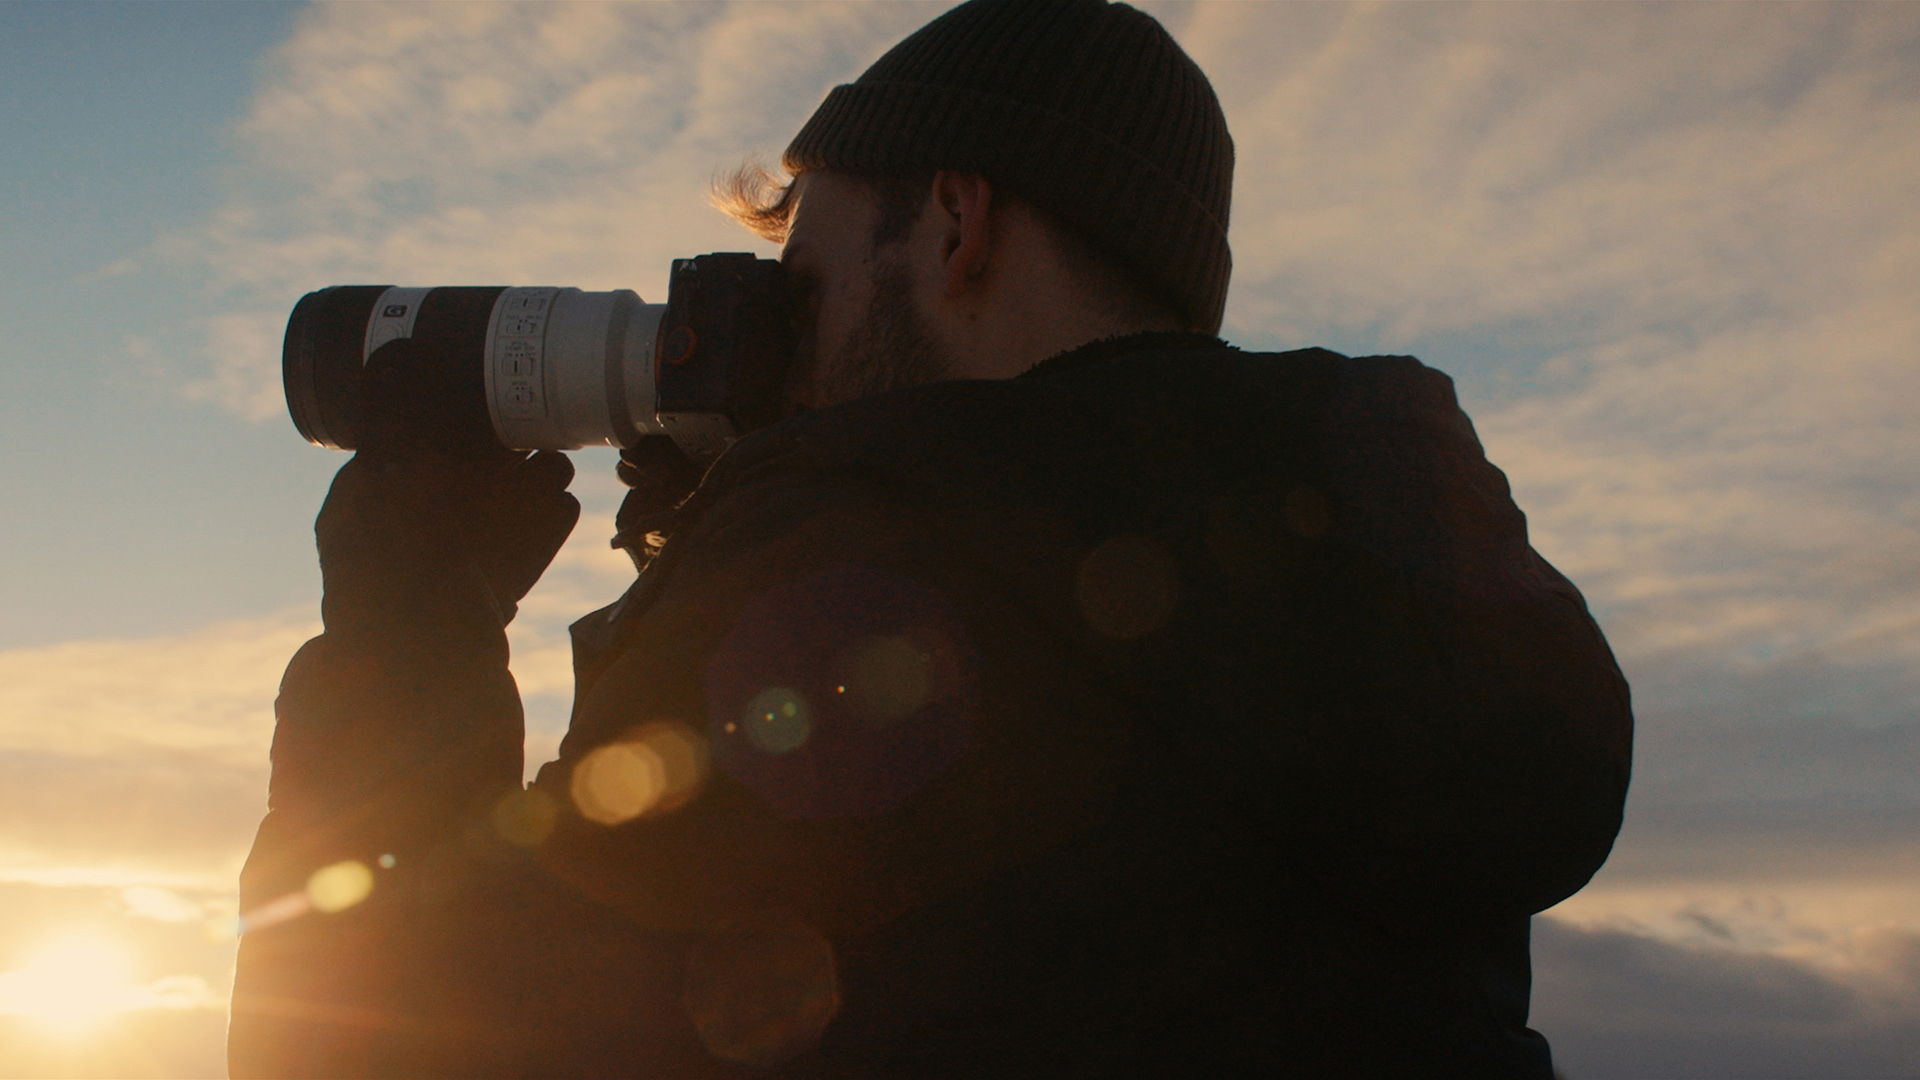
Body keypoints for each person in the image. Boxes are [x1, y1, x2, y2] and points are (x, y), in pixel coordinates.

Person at [230, 1, 1633, 1076]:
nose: (781, 346)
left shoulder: (858, 605)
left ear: (957, 224)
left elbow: (368, 1046)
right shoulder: (1395, 604)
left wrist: (409, 622)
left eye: (807, 280)